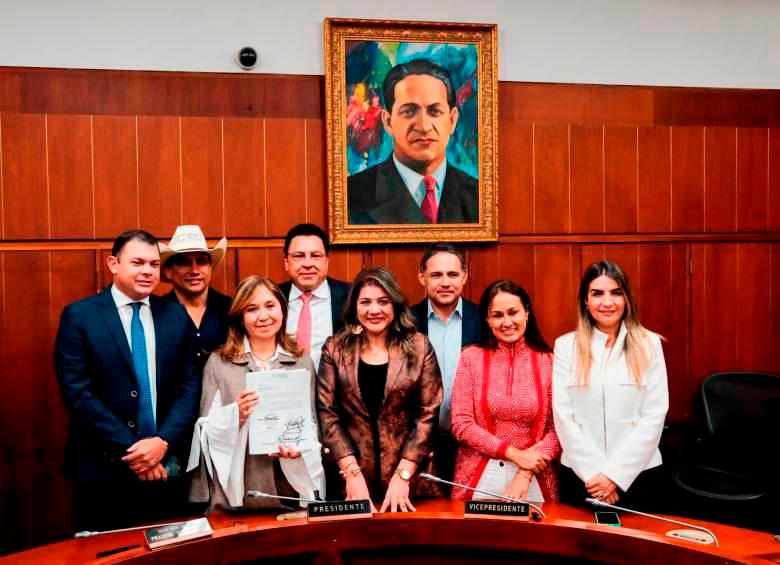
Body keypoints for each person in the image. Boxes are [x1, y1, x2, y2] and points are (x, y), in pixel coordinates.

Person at [55, 230, 201, 530]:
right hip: (103, 469)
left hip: (166, 466)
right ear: (113, 264)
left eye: (153, 264)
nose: (147, 271)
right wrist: (136, 450)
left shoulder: (175, 315)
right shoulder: (80, 317)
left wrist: (162, 442)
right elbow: (77, 393)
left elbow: (190, 387)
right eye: (137, 262)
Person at [188, 276, 325, 511]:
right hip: (239, 491)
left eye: (270, 306)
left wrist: (301, 447)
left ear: (282, 309)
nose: (263, 316)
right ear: (240, 317)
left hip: (289, 486)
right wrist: (236, 415)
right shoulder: (220, 362)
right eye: (252, 309)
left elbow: (312, 422)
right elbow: (205, 431)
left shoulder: (302, 361)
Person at [317, 267, 443, 512]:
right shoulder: (335, 349)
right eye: (365, 302)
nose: (374, 310)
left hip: (411, 484)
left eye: (383, 302)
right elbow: (327, 414)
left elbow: (428, 414)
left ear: (395, 304)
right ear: (355, 306)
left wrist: (403, 475)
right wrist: (352, 474)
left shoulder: (419, 347)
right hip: (351, 484)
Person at [552, 260, 668, 509]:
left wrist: (614, 476)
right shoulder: (566, 346)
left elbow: (654, 415)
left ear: (626, 298)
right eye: (597, 293)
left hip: (638, 476)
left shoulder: (650, 344)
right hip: (582, 478)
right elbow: (564, 417)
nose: (607, 302)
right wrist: (597, 477)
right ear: (585, 300)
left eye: (616, 293)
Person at [451, 280, 560, 502]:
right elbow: (461, 423)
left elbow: (560, 429)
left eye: (513, 312)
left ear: (527, 313)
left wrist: (525, 470)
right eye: (498, 315)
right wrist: (515, 455)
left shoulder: (550, 362)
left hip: (534, 476)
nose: (507, 322)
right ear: (487, 319)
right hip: (478, 475)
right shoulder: (470, 358)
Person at [347, 59, 478, 225]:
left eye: (435, 111)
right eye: (409, 111)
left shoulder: (479, 197)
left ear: (452, 121)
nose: (424, 126)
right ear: (388, 122)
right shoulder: (351, 195)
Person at [411, 243, 480, 487]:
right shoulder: (407, 322)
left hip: (472, 445)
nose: (445, 282)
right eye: (436, 275)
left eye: (452, 274)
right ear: (422, 277)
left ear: (464, 276)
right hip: (418, 444)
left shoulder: (482, 319)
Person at [160, 225, 231, 373]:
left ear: (210, 267)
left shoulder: (231, 308)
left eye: (201, 261)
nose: (194, 270)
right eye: (184, 262)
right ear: (168, 271)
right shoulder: (156, 313)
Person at [278, 223, 350, 371]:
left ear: (327, 261)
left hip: (335, 390)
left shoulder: (352, 296)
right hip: (283, 388)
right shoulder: (273, 297)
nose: (308, 264)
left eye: (316, 256)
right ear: (286, 262)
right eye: (299, 256)